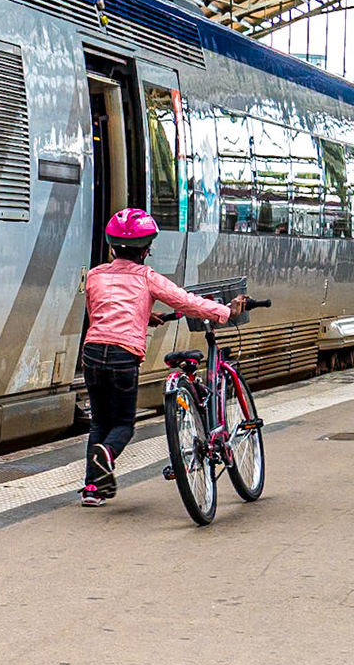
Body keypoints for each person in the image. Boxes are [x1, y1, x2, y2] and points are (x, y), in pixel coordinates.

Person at [80, 210, 246, 507]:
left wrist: (144, 316)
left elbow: (102, 313)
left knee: (99, 421)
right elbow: (186, 302)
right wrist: (225, 312)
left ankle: (93, 487)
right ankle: (107, 453)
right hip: (122, 356)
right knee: (123, 424)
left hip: (92, 352)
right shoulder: (147, 278)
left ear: (111, 246)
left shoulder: (95, 276)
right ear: (145, 250)